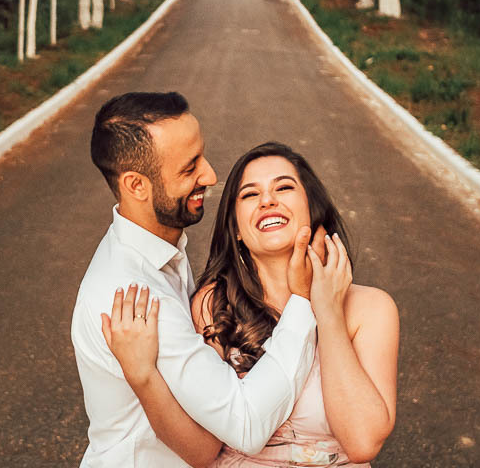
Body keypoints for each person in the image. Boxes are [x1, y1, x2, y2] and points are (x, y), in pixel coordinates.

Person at [103, 142, 400, 467]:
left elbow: (362, 442)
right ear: (236, 229)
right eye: (249, 194)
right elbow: (201, 452)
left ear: (313, 210)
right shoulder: (214, 305)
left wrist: (328, 314)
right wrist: (143, 376)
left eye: (284, 187)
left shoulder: (370, 309)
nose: (268, 200)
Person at [72, 93, 324, 468]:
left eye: (201, 157)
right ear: (136, 186)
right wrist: (302, 301)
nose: (210, 175)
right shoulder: (134, 296)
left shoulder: (159, 252)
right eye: (189, 169)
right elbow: (246, 424)